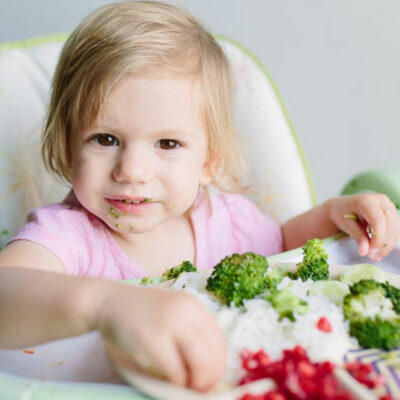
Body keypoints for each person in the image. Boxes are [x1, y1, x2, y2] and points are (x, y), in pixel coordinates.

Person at [0, 0, 399, 393]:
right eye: (105, 139)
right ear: (68, 150)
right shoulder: (68, 236)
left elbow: (283, 253)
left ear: (209, 161)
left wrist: (334, 216)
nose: (132, 171)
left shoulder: (227, 222)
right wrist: (106, 306)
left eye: (168, 143)